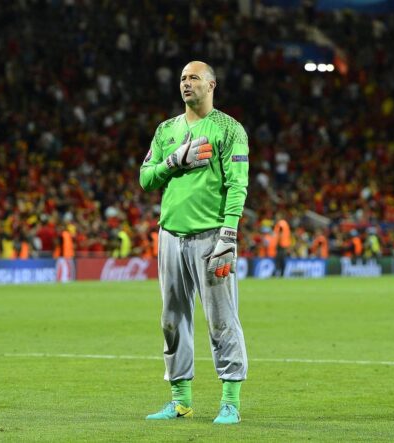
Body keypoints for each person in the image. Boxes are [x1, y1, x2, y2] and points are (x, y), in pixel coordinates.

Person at [139, 61, 249, 425]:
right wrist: (172, 161)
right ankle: (180, 401)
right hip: (170, 235)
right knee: (172, 319)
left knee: (222, 319)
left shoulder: (229, 129)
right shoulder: (166, 130)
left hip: (211, 238)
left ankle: (230, 402)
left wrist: (229, 235)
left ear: (211, 85)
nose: (186, 83)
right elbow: (146, 179)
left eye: (194, 78)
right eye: (183, 78)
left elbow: (237, 185)